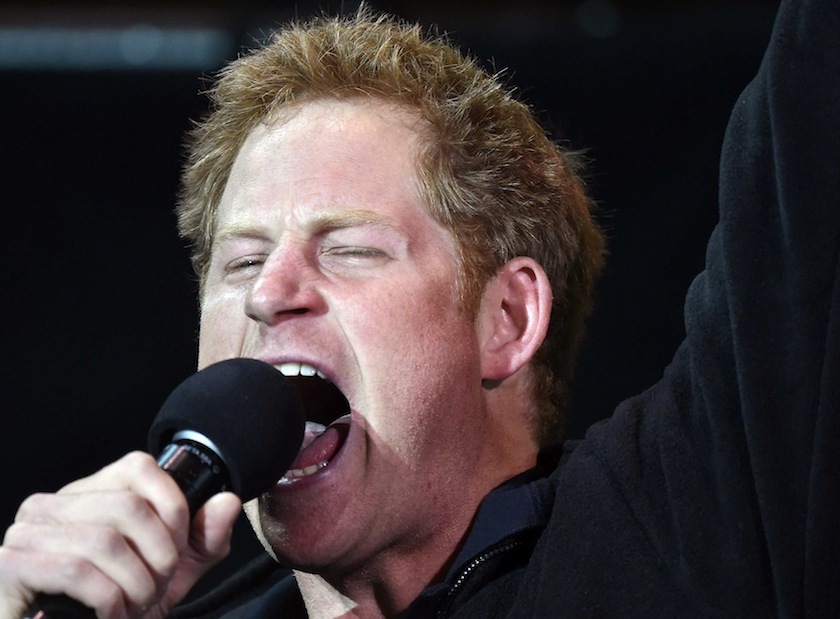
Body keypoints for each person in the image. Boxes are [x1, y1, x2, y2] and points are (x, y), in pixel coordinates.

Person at [1, 0, 838, 617]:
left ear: (506, 318)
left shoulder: (686, 523)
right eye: (243, 260)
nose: (268, 292)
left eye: (350, 248)